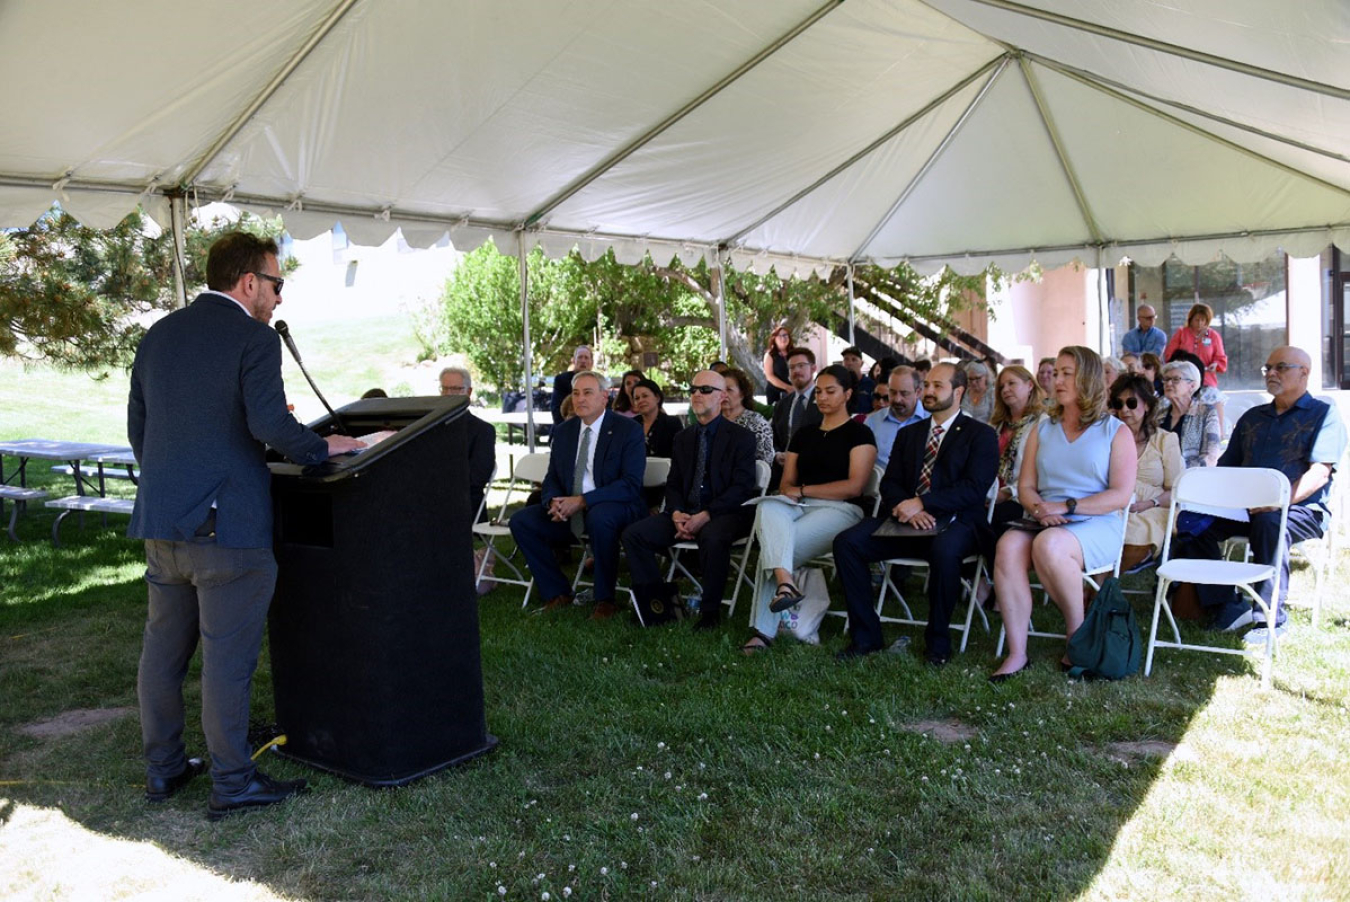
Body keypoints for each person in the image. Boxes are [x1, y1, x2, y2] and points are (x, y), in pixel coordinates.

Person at [127, 232, 366, 820]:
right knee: (226, 662)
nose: (280, 298)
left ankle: (164, 770)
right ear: (249, 282)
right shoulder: (253, 338)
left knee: (162, 655)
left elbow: (140, 428)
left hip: (162, 524)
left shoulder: (158, 335)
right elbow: (268, 423)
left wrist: (171, 484)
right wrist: (321, 447)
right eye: (277, 284)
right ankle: (232, 782)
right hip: (226, 529)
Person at [1169, 346, 1347, 641]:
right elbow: (1226, 468)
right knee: (1193, 521)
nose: (1271, 373)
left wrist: (1277, 502)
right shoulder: (1253, 417)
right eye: (1268, 368)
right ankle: (1227, 603)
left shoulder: (1324, 415)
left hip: (1300, 509)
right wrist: (1201, 501)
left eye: (1281, 367)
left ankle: (1269, 619)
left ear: (1304, 373)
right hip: (1245, 508)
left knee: (1270, 522)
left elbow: (1319, 473)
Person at [833, 363, 998, 664]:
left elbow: (974, 489)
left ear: (958, 391)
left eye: (938, 386)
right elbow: (891, 482)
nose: (929, 392)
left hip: (957, 523)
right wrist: (905, 509)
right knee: (848, 542)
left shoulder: (981, 435)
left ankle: (938, 644)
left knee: (945, 552)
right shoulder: (910, 433)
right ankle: (866, 636)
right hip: (907, 521)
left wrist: (924, 504)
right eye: (928, 385)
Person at [989, 346, 1136, 681]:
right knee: (1008, 546)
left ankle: (1077, 637)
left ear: (1089, 379)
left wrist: (1068, 508)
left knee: (1051, 545)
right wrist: (1040, 509)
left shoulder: (1116, 431)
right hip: (1046, 518)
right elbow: (1026, 486)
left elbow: (1120, 495)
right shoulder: (1043, 428)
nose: (1058, 380)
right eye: (1056, 373)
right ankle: (1017, 653)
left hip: (1096, 522)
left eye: (1067, 373)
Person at [741, 365, 877, 653]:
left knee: (775, 550)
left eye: (830, 391)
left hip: (841, 511)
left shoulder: (859, 433)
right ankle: (786, 585)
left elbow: (854, 487)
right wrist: (793, 494)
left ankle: (762, 632)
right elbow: (787, 483)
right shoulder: (804, 434)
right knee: (767, 506)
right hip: (797, 506)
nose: (822, 397)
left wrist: (803, 491)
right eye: (819, 392)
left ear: (848, 394)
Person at [621, 370, 758, 630]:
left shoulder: (741, 437)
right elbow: (673, 483)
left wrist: (705, 514)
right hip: (684, 513)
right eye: (693, 389)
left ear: (722, 398)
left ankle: (710, 613)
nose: (697, 394)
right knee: (633, 534)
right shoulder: (683, 437)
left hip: (725, 513)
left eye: (705, 390)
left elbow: (741, 488)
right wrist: (675, 513)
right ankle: (657, 605)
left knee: (713, 536)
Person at [509, 371, 647, 620]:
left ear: (605, 397)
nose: (580, 399)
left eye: (587, 392)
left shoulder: (628, 430)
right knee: (521, 521)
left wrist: (583, 501)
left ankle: (605, 599)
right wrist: (552, 500)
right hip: (572, 508)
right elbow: (552, 476)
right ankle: (558, 592)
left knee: (599, 517)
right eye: (575, 393)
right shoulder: (564, 432)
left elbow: (630, 485)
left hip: (616, 506)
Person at [1110, 374, 1183, 572]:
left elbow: (1176, 490)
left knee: (1140, 526)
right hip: (1116, 506)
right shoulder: (1107, 439)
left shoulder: (1165, 440)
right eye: (1119, 403)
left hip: (1154, 507)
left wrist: (1149, 503)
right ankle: (1098, 590)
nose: (1124, 409)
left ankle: (1098, 590)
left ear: (1147, 406)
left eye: (1132, 403)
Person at [439, 366, 497, 521]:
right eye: (445, 389)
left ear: (468, 392)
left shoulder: (483, 431)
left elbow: (478, 478)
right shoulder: (429, 429)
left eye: (456, 389)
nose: (449, 395)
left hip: (463, 502)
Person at [1158, 360, 1221, 469]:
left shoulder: (1206, 413)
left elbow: (1210, 457)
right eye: (1166, 379)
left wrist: (1177, 471)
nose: (1168, 383)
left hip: (1192, 479)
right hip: (1159, 479)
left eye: (1176, 379)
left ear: (1191, 385)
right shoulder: (1159, 415)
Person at [864, 366, 929, 469]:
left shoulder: (932, 422)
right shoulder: (872, 421)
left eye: (904, 394)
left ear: (918, 392)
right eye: (893, 392)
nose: (897, 399)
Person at [770, 347, 823, 459]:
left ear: (813, 368)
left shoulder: (824, 401)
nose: (796, 371)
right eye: (792, 367)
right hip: (782, 467)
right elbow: (772, 437)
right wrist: (777, 454)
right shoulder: (782, 405)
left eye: (801, 365)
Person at [1163, 303, 1227, 390]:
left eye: (1203, 320)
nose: (1200, 323)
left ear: (1207, 321)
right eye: (1197, 320)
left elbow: (1221, 359)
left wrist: (1215, 364)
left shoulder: (1214, 336)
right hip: (1182, 380)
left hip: (1206, 381)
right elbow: (1169, 356)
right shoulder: (1181, 333)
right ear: (1191, 319)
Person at [722, 368, 775, 465]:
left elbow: (765, 463)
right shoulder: (713, 420)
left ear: (742, 393)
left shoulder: (757, 423)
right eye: (720, 390)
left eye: (729, 390)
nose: (723, 395)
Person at [631, 378, 681, 458]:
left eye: (645, 396)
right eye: (637, 398)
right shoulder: (631, 425)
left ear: (657, 398)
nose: (641, 400)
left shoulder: (672, 423)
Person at [551, 346, 594, 424]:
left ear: (591, 362)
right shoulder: (561, 380)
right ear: (574, 361)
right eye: (580, 357)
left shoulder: (597, 381)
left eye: (586, 358)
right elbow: (556, 410)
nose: (583, 361)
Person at [762, 325, 794, 406]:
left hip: (794, 392)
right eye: (780, 336)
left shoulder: (795, 353)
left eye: (785, 335)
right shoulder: (770, 355)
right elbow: (769, 376)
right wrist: (787, 387)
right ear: (774, 338)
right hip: (776, 393)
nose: (783, 338)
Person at [842, 345, 874, 414]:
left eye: (854, 359)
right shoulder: (839, 384)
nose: (849, 363)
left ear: (861, 363)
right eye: (846, 359)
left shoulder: (870, 385)